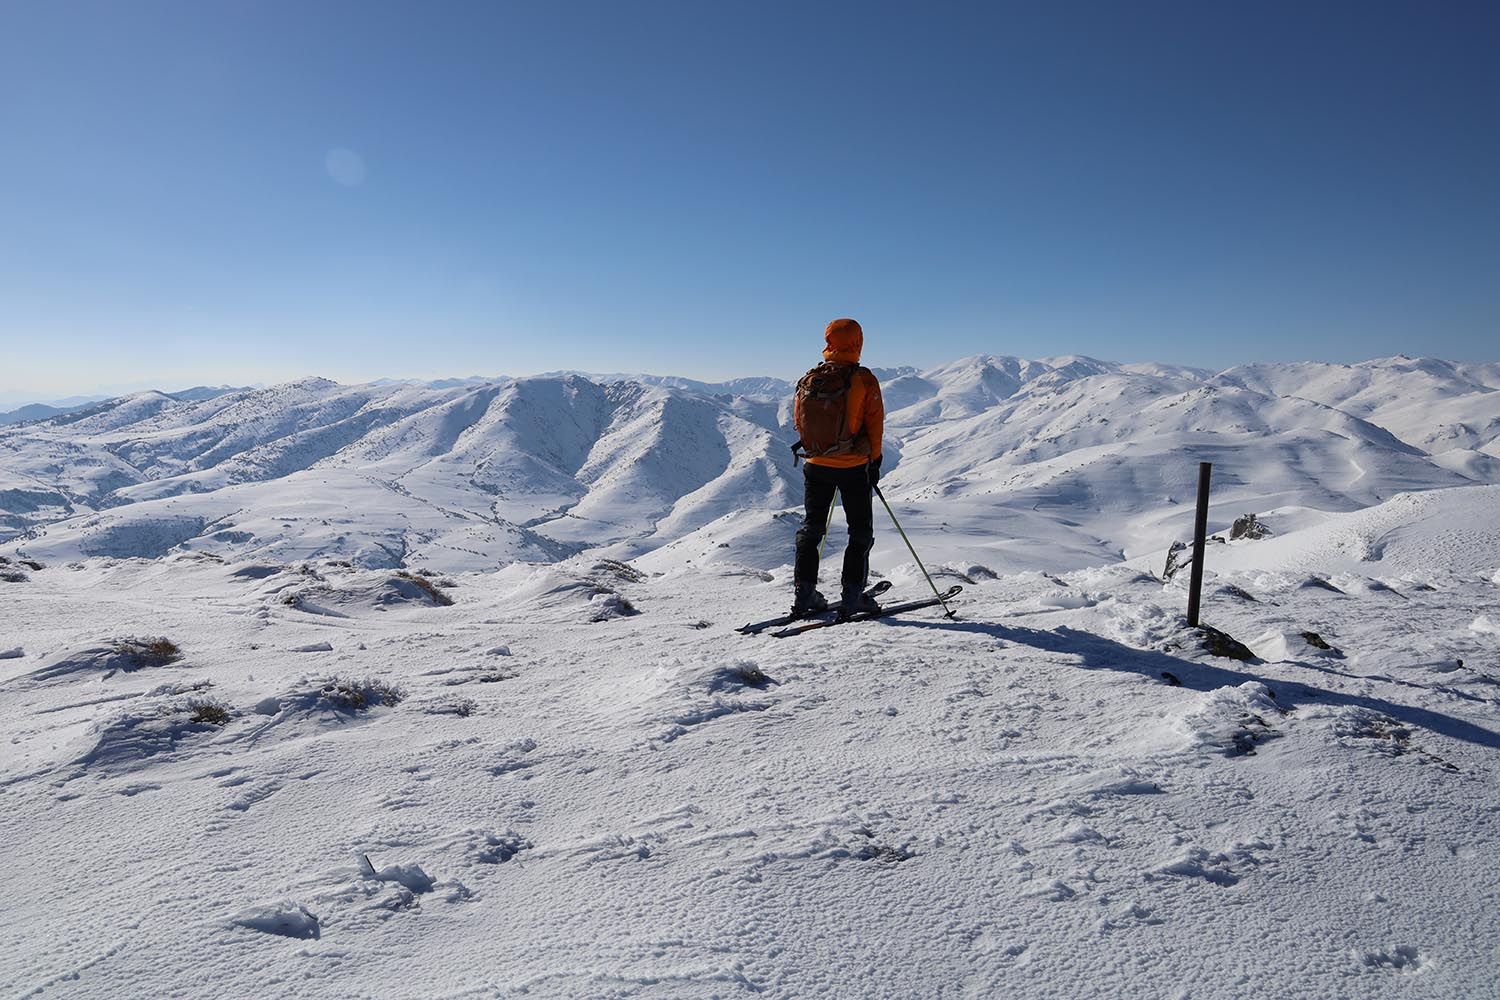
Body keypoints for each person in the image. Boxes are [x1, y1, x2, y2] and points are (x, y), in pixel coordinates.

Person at [791, 318, 885, 619]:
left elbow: (798, 422)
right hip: (853, 466)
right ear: (857, 343)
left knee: (812, 528)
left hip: (815, 464)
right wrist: (875, 461)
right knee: (859, 532)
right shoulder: (863, 380)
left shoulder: (811, 378)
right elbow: (875, 427)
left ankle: (804, 592)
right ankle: (852, 595)